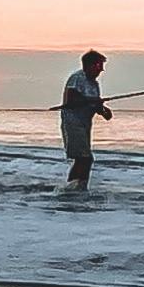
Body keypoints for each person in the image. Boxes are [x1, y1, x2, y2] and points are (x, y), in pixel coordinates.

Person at [59, 49, 112, 190]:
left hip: (85, 125)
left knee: (83, 159)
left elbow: (95, 106)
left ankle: (77, 187)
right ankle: (75, 187)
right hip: (72, 122)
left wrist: (104, 111)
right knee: (85, 158)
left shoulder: (94, 85)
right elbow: (71, 99)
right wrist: (93, 101)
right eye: (99, 66)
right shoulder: (77, 78)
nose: (101, 70)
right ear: (89, 65)